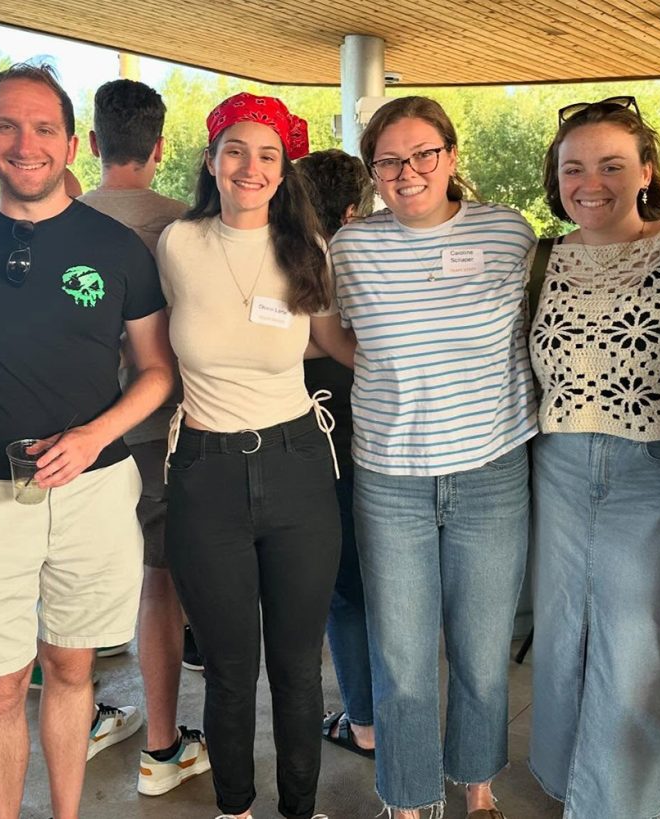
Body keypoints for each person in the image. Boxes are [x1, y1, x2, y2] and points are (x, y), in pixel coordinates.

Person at [0, 64, 174, 819]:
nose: (25, 143)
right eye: (6, 125)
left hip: (91, 490)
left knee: (71, 667)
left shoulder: (120, 248)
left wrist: (94, 436)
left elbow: (157, 371)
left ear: (70, 142)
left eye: (42, 128)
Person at [329, 95, 534, 819]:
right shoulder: (349, 249)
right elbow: (331, 333)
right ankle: (408, 800)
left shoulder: (511, 233)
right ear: (372, 170)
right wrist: (391, 368)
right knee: (404, 656)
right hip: (389, 477)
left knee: (481, 649)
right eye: (390, 159)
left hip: (491, 469)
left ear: (451, 155)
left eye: (424, 154)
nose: (408, 171)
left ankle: (478, 786)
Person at [157, 91, 352, 819]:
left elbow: (332, 344)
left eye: (267, 154)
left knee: (299, 667)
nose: (251, 165)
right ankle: (233, 808)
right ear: (212, 161)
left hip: (298, 465)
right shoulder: (177, 245)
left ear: (284, 167)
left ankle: (300, 809)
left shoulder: (308, 249)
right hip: (205, 471)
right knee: (231, 670)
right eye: (235, 150)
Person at [527, 96, 660, 818]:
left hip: (652, 468)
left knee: (638, 640)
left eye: (610, 165)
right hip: (559, 467)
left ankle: (629, 800)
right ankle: (609, 784)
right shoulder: (543, 256)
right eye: (574, 167)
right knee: (564, 632)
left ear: (645, 172)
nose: (590, 181)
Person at [78, 76, 209, 796]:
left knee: (62, 581)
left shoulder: (55, 220)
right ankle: (162, 746)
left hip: (71, 433)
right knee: (159, 582)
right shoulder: (186, 226)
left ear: (93, 144)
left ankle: (85, 714)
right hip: (161, 430)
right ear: (160, 147)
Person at [297, 148, 376, 757]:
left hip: (310, 451)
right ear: (353, 209)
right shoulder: (368, 262)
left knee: (345, 594)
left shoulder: (285, 261)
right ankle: (385, 716)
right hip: (377, 445)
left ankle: (365, 721)